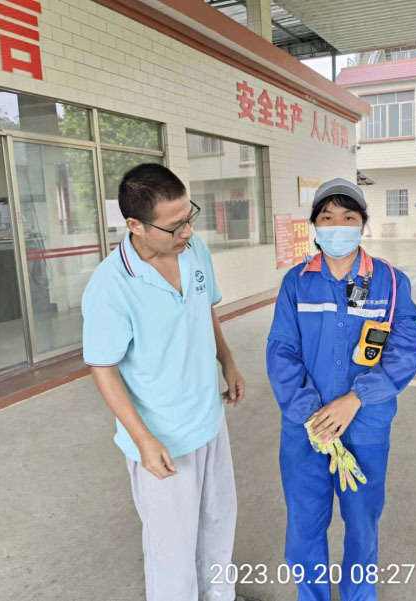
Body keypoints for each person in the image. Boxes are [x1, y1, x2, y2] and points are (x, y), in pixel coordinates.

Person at [81, 163, 259, 601]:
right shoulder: (110, 286)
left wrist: (228, 361)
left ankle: (220, 597)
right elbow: (103, 368)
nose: (188, 232)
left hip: (208, 418)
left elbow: (204, 307)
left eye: (189, 217)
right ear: (135, 225)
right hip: (162, 436)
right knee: (172, 551)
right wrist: (142, 439)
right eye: (175, 226)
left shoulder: (193, 251)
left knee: (218, 522)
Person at [267, 178, 416, 601]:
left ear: (363, 225)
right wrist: (313, 415)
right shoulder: (296, 283)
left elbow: (404, 351)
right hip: (306, 430)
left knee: (362, 526)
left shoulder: (390, 283)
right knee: (304, 527)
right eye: (327, 217)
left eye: (348, 217)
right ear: (315, 225)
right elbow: (281, 352)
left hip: (366, 427)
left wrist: (356, 399)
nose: (337, 226)